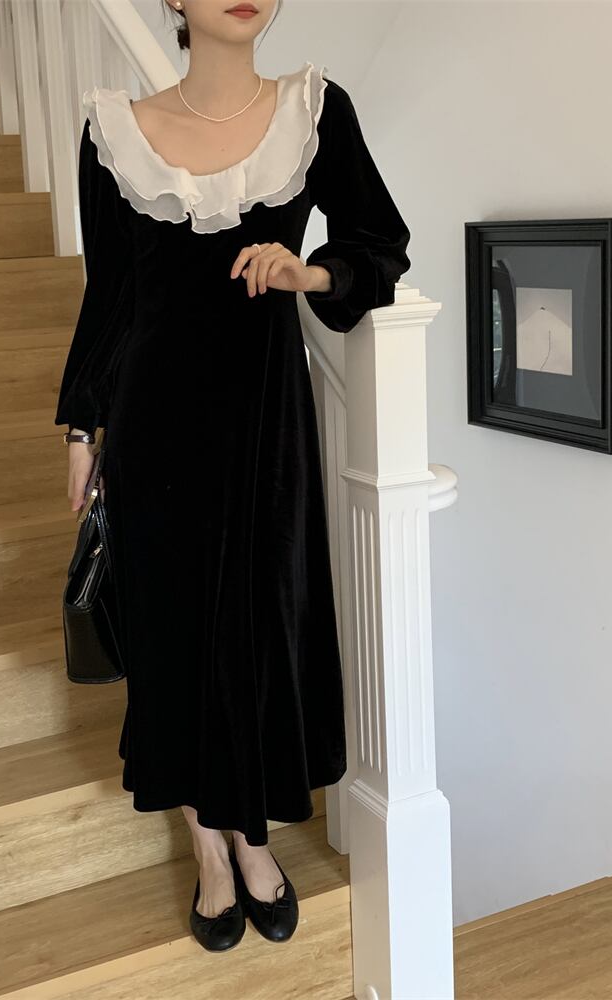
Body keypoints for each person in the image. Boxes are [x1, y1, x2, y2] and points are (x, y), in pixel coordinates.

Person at [54, 0, 411, 953]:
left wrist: (309, 275)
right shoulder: (115, 132)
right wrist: (83, 426)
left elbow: (378, 241)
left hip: (263, 426)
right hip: (152, 428)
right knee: (172, 638)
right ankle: (211, 849)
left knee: (257, 628)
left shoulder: (314, 108)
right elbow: (111, 296)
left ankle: (253, 835)